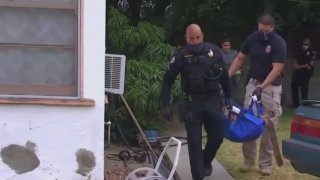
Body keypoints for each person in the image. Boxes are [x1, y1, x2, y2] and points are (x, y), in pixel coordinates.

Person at [160, 23, 231, 180]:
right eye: (191, 38)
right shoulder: (180, 56)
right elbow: (167, 81)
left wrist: (229, 97)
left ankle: (206, 161)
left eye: (197, 37)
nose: (195, 41)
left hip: (213, 100)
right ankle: (197, 176)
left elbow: (224, 76)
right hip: (193, 103)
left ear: (202, 35)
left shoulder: (214, 51)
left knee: (217, 136)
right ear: (186, 38)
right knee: (194, 144)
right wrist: (165, 104)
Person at [228, 13, 287, 176]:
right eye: (261, 30)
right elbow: (240, 58)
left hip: (271, 88)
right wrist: (227, 76)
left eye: (266, 31)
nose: (263, 34)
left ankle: (265, 164)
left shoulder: (278, 43)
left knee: (269, 125)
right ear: (258, 26)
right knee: (249, 123)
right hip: (253, 84)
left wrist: (262, 87)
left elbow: (277, 68)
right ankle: (248, 160)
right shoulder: (252, 38)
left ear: (272, 28)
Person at [290, 37, 317, 108]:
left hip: (306, 74)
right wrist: (305, 65)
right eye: (304, 44)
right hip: (297, 73)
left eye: (307, 44)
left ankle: (304, 105)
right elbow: (295, 65)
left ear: (310, 44)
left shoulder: (312, 52)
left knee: (304, 89)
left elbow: (311, 63)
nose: (305, 45)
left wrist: (301, 66)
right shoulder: (298, 51)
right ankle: (295, 104)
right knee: (294, 87)